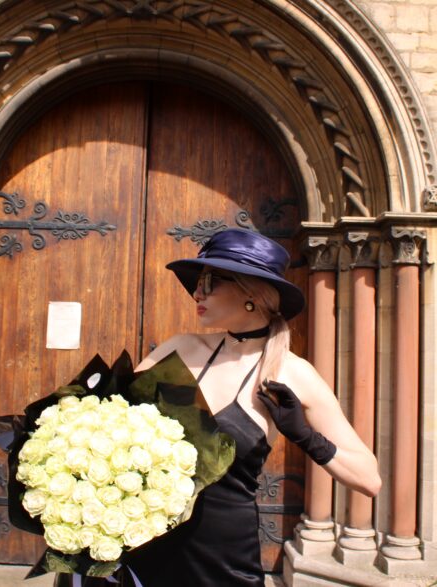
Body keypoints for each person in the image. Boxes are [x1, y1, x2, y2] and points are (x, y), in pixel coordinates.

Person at [58, 228, 381, 587]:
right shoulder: (178, 348)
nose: (197, 291)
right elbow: (107, 424)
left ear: (251, 294)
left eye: (210, 281)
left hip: (220, 560)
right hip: (140, 542)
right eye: (198, 282)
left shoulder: (293, 373)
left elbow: (369, 480)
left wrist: (304, 436)